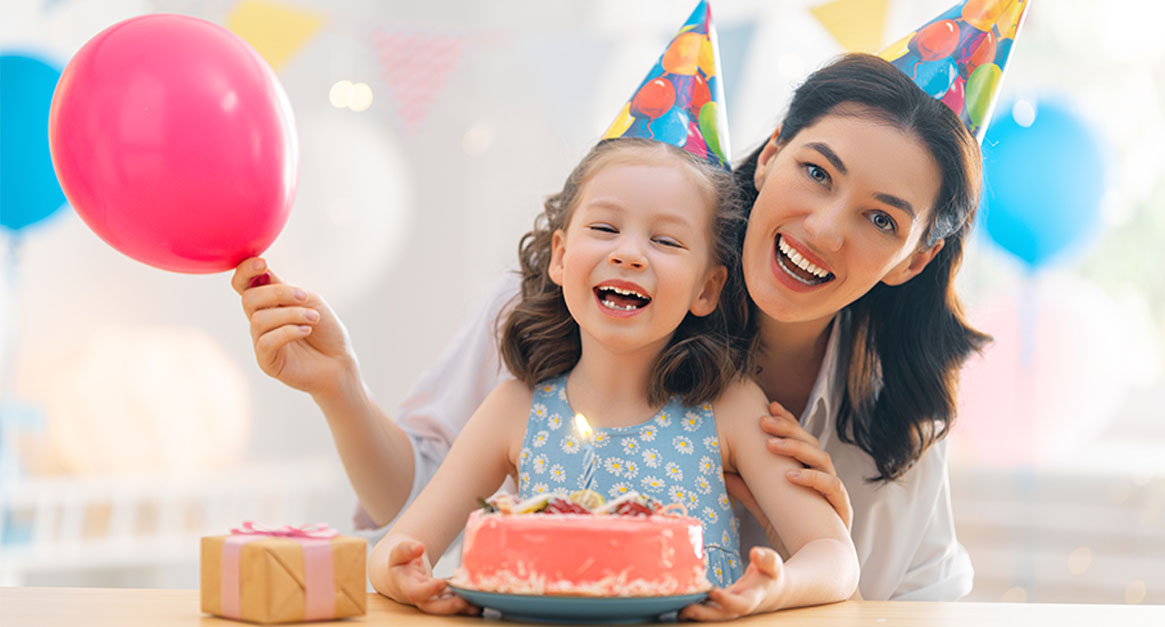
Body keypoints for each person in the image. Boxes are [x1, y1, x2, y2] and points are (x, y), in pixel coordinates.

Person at [231, 0, 1026, 603]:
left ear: (914, 256)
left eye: (880, 218)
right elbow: (414, 506)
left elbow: (899, 593)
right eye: (817, 171)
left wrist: (810, 552)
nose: (824, 227)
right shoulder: (561, 315)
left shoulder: (894, 407)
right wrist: (340, 388)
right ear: (775, 151)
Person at [363, 135, 859, 617]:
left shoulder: (730, 408)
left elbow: (833, 555)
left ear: (707, 288)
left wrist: (776, 588)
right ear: (560, 256)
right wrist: (403, 576)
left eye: (665, 240)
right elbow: (394, 551)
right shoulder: (514, 409)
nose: (630, 253)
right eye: (604, 228)